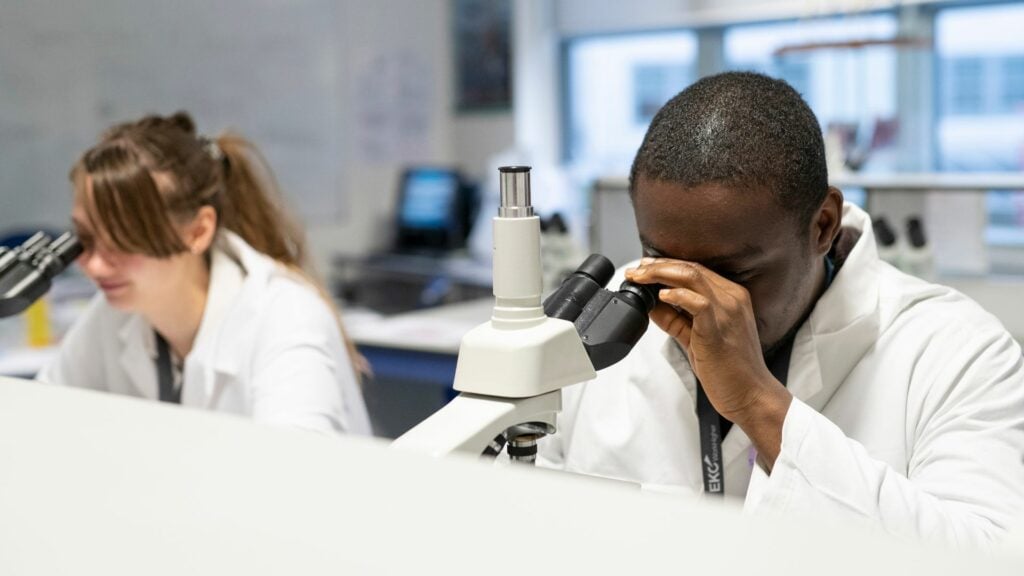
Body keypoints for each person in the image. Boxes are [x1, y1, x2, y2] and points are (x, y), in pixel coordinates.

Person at [538, 72, 1024, 546]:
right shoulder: (601, 332)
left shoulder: (958, 353)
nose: (695, 302)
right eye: (664, 261)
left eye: (732, 274)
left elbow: (987, 556)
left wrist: (758, 402)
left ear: (822, 225)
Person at [38, 112, 372, 435]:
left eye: (124, 240)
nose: (94, 266)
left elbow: (295, 474)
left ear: (198, 231)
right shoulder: (113, 314)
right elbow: (42, 421)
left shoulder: (285, 317)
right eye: (85, 238)